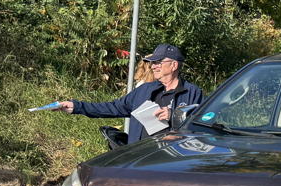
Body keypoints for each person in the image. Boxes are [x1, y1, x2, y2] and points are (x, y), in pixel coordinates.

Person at [58, 44, 203, 145]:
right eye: (152, 63)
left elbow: (203, 125)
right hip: (138, 158)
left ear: (174, 65)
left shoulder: (192, 92)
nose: (153, 66)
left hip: (169, 162)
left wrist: (174, 115)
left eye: (159, 62)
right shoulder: (144, 90)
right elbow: (113, 107)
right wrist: (76, 106)